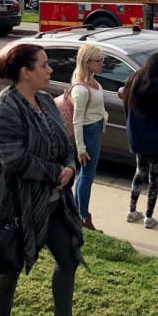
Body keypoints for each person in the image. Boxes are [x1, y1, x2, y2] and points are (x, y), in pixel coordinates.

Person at [0, 43, 101, 316]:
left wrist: (70, 167)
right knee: (12, 265)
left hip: (53, 199)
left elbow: (64, 144)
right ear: (25, 72)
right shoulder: (4, 108)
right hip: (17, 204)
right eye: (44, 66)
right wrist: (54, 172)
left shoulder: (47, 101)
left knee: (68, 257)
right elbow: (13, 160)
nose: (50, 71)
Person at [122, 53, 158, 229]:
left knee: (139, 172)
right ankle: (149, 217)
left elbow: (126, 106)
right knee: (154, 178)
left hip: (137, 138)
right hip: (156, 140)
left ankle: (131, 210)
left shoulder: (132, 80)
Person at [71, 43, 108, 231]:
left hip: (94, 129)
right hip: (88, 132)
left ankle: (78, 213)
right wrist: (81, 148)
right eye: (99, 60)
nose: (102, 63)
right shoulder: (81, 89)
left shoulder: (90, 79)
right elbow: (76, 121)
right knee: (87, 176)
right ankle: (83, 216)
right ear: (87, 62)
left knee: (84, 176)